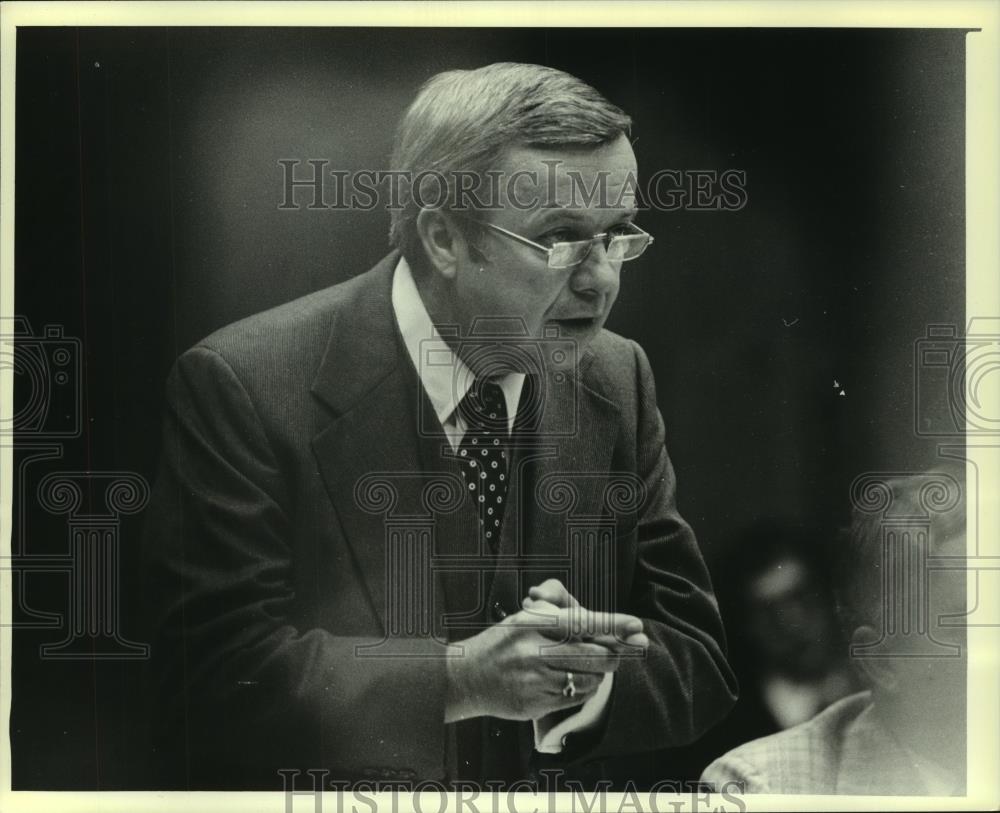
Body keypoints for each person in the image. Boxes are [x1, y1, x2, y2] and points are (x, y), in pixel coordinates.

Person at [145, 62, 736, 790]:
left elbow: (700, 656)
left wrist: (585, 677)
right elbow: (208, 678)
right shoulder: (244, 383)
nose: (601, 279)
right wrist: (461, 679)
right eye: (560, 238)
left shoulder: (618, 375)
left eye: (617, 236)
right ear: (444, 238)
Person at [701, 468, 966, 795]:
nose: (793, 623)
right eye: (962, 628)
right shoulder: (753, 779)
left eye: (801, 599)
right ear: (880, 661)